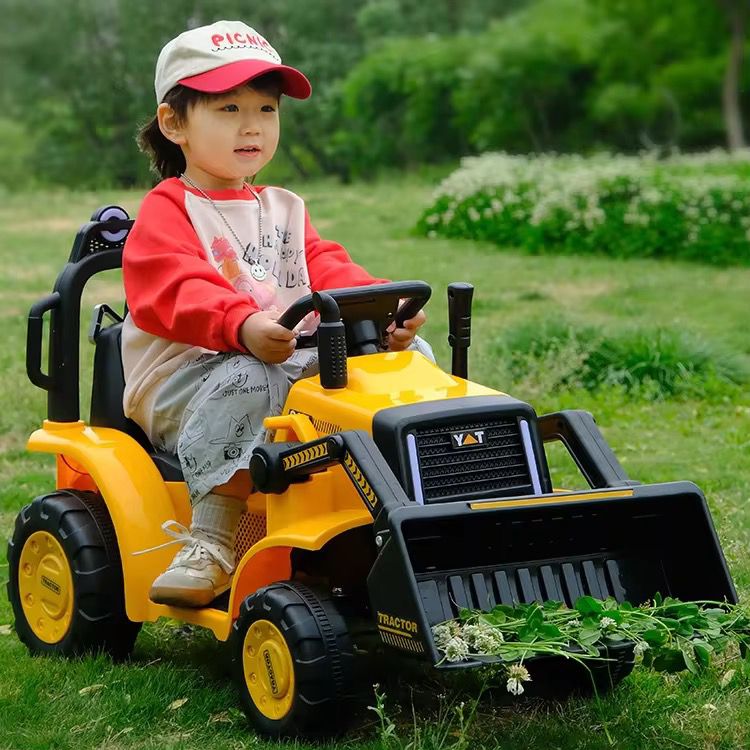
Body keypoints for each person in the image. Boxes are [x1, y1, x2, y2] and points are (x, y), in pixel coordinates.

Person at [123, 20, 432, 608]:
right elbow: (175, 287)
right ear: (174, 124)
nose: (252, 125)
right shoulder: (169, 210)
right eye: (229, 108)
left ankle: (414, 501)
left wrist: (383, 309)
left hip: (283, 357)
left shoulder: (283, 208)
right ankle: (211, 538)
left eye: (266, 109)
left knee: (410, 360)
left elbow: (326, 266)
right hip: (189, 375)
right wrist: (239, 325)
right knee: (250, 376)